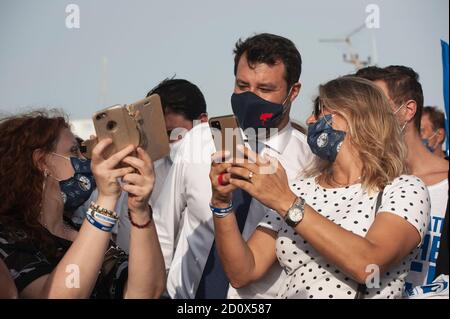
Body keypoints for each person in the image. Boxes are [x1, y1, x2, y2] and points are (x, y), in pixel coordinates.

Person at [209, 76, 431, 299]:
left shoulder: (404, 188)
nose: (309, 119)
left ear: (358, 117)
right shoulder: (299, 190)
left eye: (320, 110)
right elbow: (243, 272)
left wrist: (285, 201)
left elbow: (367, 264)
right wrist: (221, 205)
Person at [197, 33, 315, 299]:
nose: (251, 98)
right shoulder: (198, 142)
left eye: (265, 89)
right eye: (242, 86)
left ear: (293, 92)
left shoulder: (310, 165)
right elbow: (167, 232)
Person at [0, 110, 165, 298]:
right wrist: (107, 198)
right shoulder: (8, 238)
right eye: (73, 151)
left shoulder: (83, 231)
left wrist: (140, 211)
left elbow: (147, 292)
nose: (84, 161)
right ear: (41, 162)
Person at [356, 66, 449, 293]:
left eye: (377, 106)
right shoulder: (365, 180)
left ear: (408, 110)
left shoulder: (445, 182)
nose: (368, 117)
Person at [115, 79, 208, 254]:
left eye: (171, 133)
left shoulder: (223, 169)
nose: (165, 143)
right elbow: (129, 249)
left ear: (202, 123)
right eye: (158, 135)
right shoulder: (143, 180)